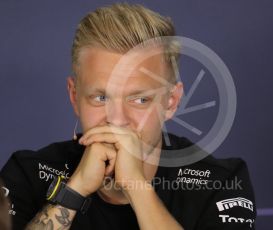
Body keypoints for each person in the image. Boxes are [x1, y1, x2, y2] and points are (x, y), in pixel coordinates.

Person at [0, 3, 256, 230]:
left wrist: (137, 186)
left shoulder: (221, 183)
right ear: (74, 96)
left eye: (140, 100)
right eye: (100, 98)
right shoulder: (27, 173)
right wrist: (75, 189)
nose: (118, 120)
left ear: (171, 102)